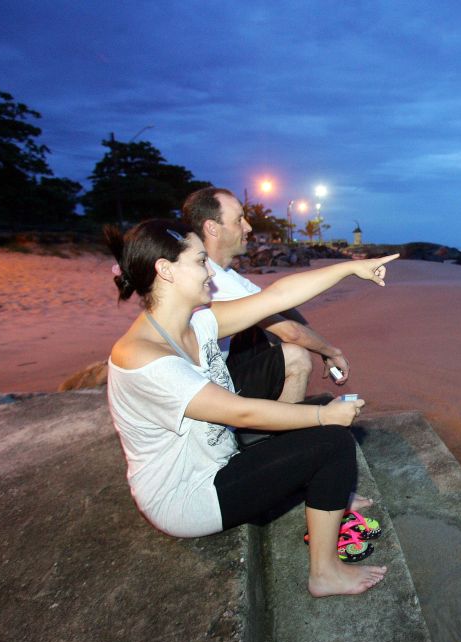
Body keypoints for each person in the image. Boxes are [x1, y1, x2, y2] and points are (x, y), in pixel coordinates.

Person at [104, 218, 398, 597]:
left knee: (316, 423)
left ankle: (320, 496)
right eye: (198, 261)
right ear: (165, 270)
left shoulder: (196, 325)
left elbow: (275, 298)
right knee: (331, 440)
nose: (210, 270)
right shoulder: (141, 355)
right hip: (188, 497)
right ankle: (324, 574)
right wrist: (324, 417)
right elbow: (238, 412)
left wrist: (350, 268)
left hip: (216, 460)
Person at [182, 187, 347, 404]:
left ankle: (279, 411)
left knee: (261, 335)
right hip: (206, 392)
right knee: (295, 355)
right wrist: (331, 351)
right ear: (212, 228)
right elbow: (290, 332)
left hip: (219, 370)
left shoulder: (225, 274)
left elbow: (278, 303)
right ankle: (283, 431)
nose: (248, 227)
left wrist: (317, 341)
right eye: (239, 220)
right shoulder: (214, 281)